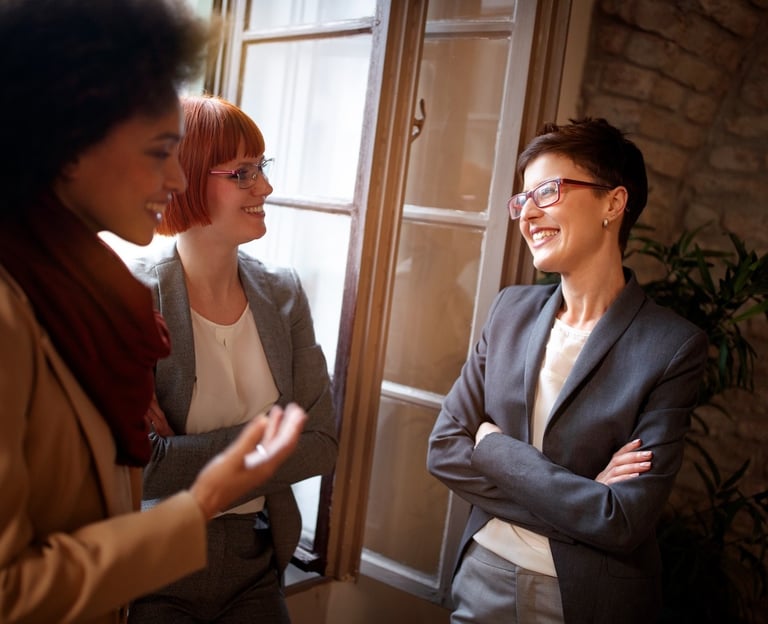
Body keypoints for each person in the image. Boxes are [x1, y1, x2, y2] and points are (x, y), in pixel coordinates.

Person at [0, 2, 306, 623]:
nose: (176, 176)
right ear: (68, 144)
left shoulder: (92, 298)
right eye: (160, 150)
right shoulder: (16, 309)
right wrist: (203, 501)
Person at [427, 118, 708, 624]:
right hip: (482, 573)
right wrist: (584, 500)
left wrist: (492, 448)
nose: (527, 212)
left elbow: (622, 520)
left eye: (548, 190)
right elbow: (445, 450)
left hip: (587, 598)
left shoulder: (672, 346)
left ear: (612, 203)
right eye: (522, 199)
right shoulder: (509, 309)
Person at [126, 94, 338, 623]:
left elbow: (322, 444)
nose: (264, 187)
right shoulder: (131, 295)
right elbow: (141, 469)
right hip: (153, 567)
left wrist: (181, 452)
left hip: (256, 560)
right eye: (243, 173)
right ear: (187, 178)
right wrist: (270, 433)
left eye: (260, 168)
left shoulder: (284, 292)